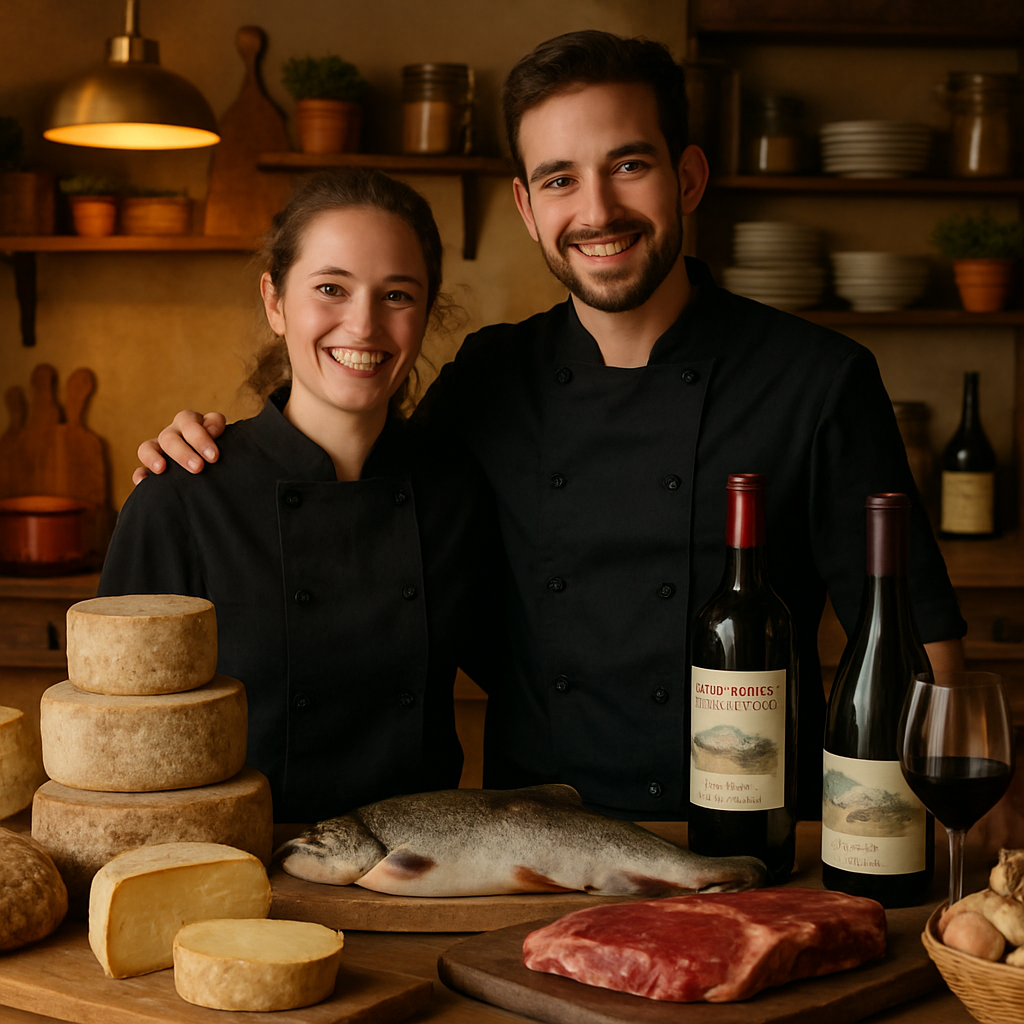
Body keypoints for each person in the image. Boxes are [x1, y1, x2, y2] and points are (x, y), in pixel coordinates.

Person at [133, 32, 966, 824]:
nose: (597, 210)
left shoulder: (818, 380)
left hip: (759, 840)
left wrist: (944, 834)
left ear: (687, 177)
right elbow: (358, 479)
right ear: (528, 208)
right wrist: (212, 458)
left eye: (629, 165)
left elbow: (915, 639)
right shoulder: (490, 377)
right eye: (560, 179)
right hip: (535, 851)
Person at [100, 168, 497, 824]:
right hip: (236, 863)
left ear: (426, 313)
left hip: (419, 864)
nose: (364, 325)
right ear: (275, 301)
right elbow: (114, 741)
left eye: (397, 294)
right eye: (331, 288)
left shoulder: (457, 496)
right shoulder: (183, 498)